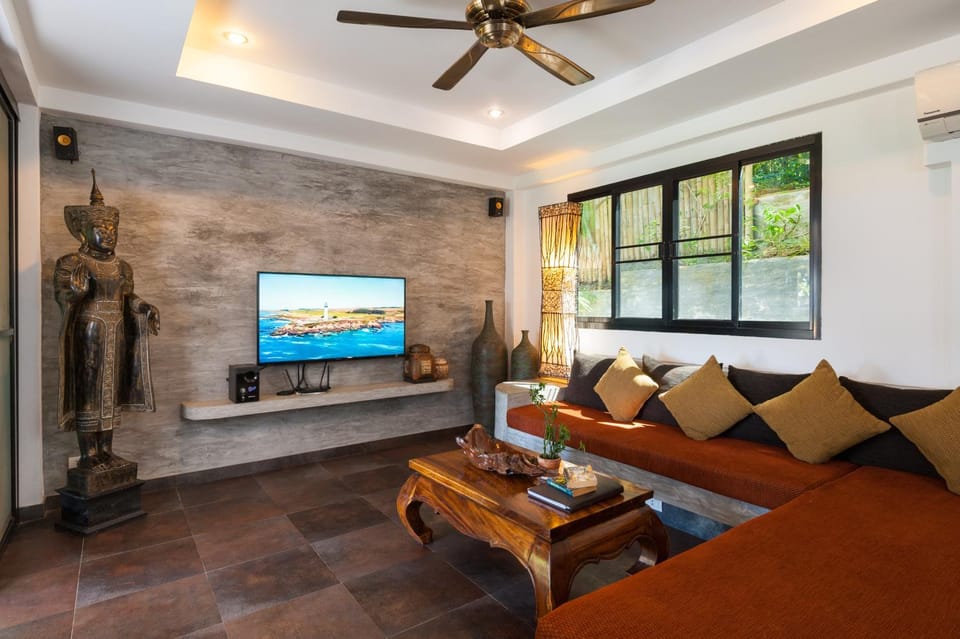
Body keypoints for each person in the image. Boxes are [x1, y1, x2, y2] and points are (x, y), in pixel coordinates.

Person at [54, 169, 159, 471]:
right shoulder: (72, 262)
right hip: (88, 331)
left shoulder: (122, 266)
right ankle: (89, 455)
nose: (108, 233)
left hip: (117, 331)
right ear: (83, 232)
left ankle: (107, 451)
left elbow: (128, 298)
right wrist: (74, 292)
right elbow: (64, 297)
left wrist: (145, 307)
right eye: (101, 227)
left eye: (112, 228)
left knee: (112, 391)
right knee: (89, 391)